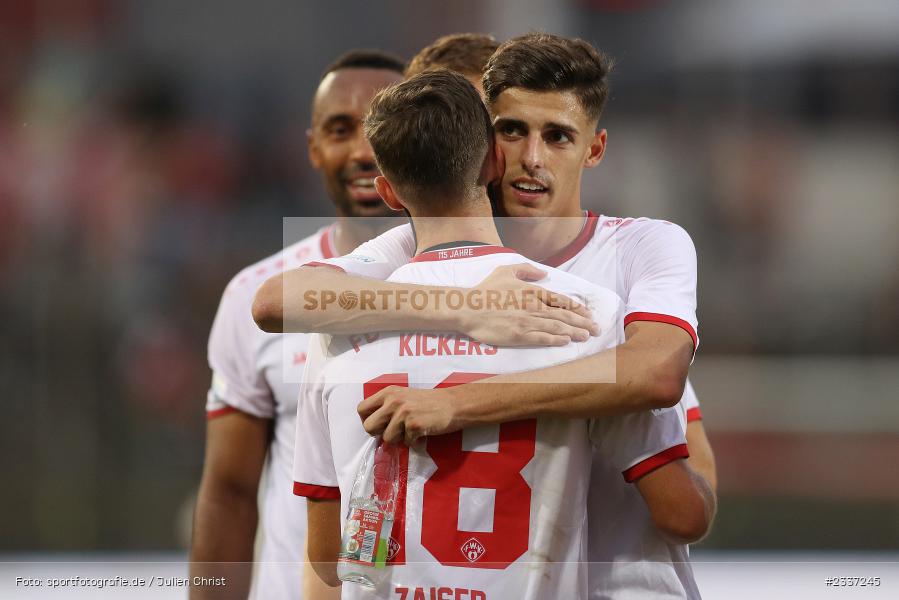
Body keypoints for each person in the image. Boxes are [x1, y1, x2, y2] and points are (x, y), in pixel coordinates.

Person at [255, 33, 717, 597]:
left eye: (558, 137)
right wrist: (467, 308)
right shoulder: (418, 252)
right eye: (513, 131)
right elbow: (278, 303)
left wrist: (457, 402)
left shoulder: (644, 247)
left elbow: (655, 375)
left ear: (594, 149)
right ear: (488, 147)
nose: (532, 158)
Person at [189, 49, 407, 600]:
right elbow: (230, 491)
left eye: (382, 126)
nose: (363, 150)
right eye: (340, 129)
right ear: (313, 148)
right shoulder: (254, 297)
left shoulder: (472, 290)